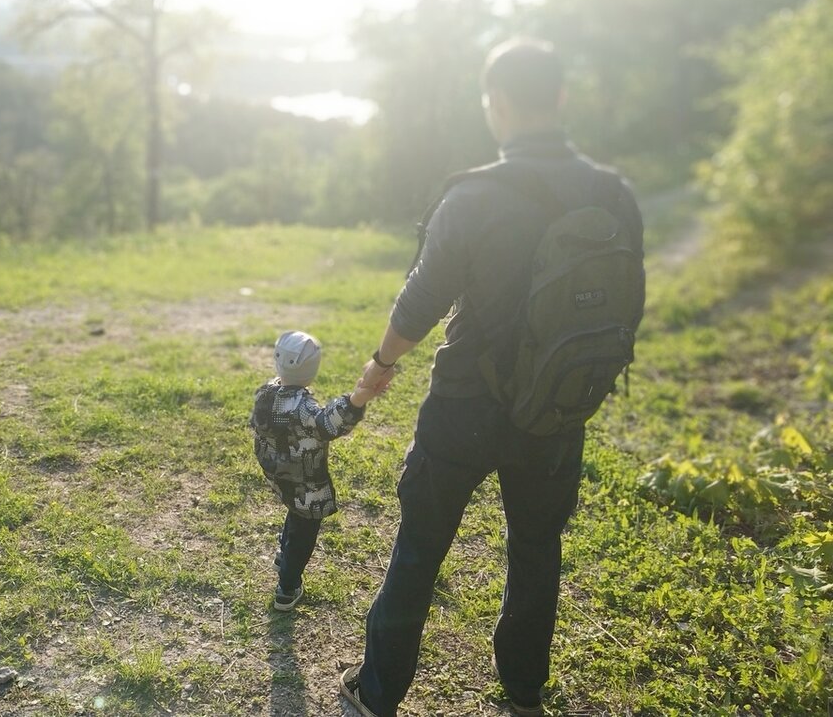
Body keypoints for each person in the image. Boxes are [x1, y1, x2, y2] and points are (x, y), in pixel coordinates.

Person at [339, 38, 645, 717]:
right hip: (557, 410)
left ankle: (378, 695)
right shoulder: (612, 194)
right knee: (537, 546)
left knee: (419, 549)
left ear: (498, 104)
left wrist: (381, 365)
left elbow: (420, 300)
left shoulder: (473, 195)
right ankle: (524, 687)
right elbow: (630, 306)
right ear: (560, 98)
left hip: (463, 406)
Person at [250, 330, 381, 611]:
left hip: (278, 473)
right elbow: (330, 423)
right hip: (306, 484)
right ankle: (287, 586)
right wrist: (358, 398)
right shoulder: (305, 410)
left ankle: (284, 553)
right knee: (303, 528)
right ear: (312, 370)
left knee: (292, 511)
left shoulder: (264, 393)